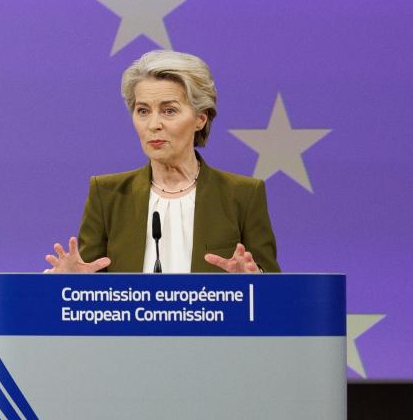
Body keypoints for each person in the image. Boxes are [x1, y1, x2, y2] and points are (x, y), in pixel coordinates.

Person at [45, 50, 277, 274]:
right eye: (143, 111)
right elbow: (89, 290)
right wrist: (70, 284)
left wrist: (257, 282)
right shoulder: (106, 195)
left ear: (200, 119)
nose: (153, 124)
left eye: (169, 111)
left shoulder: (243, 195)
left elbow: (278, 293)